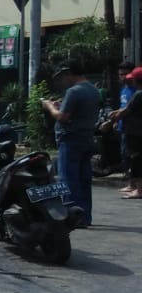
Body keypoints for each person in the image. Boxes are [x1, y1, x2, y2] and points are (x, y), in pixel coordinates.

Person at [43, 59, 101, 226]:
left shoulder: (74, 92)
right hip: (87, 138)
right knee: (84, 179)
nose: (63, 80)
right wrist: (61, 106)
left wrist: (50, 107)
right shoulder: (93, 90)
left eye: (63, 76)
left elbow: (62, 117)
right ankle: (84, 217)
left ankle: (70, 216)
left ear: (69, 74)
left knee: (68, 179)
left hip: (70, 139)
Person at [109, 66, 142, 198]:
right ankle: (135, 187)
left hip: (135, 132)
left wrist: (111, 120)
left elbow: (126, 110)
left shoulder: (139, 94)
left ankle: (139, 190)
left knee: (136, 159)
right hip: (136, 131)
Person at [119, 61, 136, 169]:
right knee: (125, 154)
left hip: (133, 129)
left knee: (132, 156)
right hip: (123, 127)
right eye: (121, 74)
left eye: (125, 74)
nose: (123, 77)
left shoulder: (137, 90)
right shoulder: (124, 90)